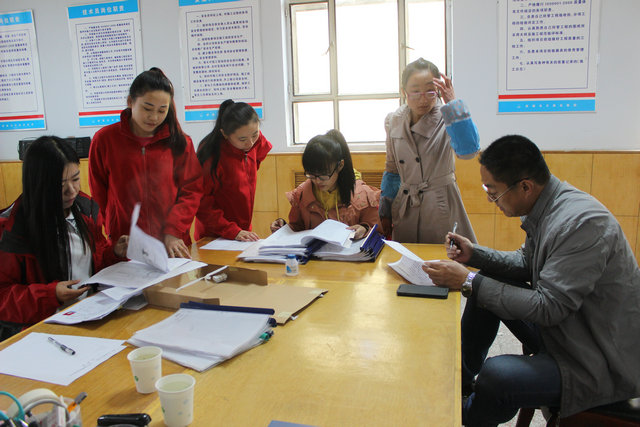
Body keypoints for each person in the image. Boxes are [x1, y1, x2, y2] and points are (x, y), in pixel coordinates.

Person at [422, 135, 640, 426]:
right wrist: (475, 255)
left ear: (525, 186)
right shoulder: (548, 206)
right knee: (487, 282)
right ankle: (458, 386)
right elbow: (527, 262)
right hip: (568, 329)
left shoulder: (583, 224)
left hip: (596, 357)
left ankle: (461, 417)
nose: (490, 200)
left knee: (498, 376)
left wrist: (468, 281)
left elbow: (549, 308)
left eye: (493, 192)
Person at [0, 136, 128, 340]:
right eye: (60, 184)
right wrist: (50, 295)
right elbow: (4, 298)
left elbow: (95, 262)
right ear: (38, 183)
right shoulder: (13, 228)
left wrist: (114, 253)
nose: (72, 190)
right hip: (44, 332)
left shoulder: (85, 210)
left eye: (75, 179)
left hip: (90, 316)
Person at [89, 67, 202, 258]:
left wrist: (173, 230)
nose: (154, 117)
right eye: (147, 108)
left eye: (162, 110)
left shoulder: (180, 142)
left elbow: (192, 190)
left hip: (171, 243)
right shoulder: (105, 140)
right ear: (130, 102)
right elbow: (98, 193)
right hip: (126, 242)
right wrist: (109, 232)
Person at [380, 58, 480, 243]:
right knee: (407, 256)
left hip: (441, 204)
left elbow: (469, 151)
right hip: (407, 205)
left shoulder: (447, 115)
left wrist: (453, 103)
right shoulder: (394, 120)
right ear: (404, 92)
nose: (423, 99)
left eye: (430, 91)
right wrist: (385, 210)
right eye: (416, 92)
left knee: (444, 257)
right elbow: (392, 169)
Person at [271, 129, 381, 239]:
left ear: (340, 165)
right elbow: (297, 228)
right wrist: (283, 227)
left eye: (324, 175)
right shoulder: (302, 195)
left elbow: (378, 232)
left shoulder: (362, 195)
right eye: (311, 175)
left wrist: (365, 229)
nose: (317, 181)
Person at [195, 99, 272, 241]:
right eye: (242, 139)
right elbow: (201, 204)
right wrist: (231, 230)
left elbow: (259, 153)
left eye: (255, 134)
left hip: (242, 231)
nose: (250, 143)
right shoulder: (211, 155)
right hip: (214, 235)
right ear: (225, 134)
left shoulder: (255, 142)